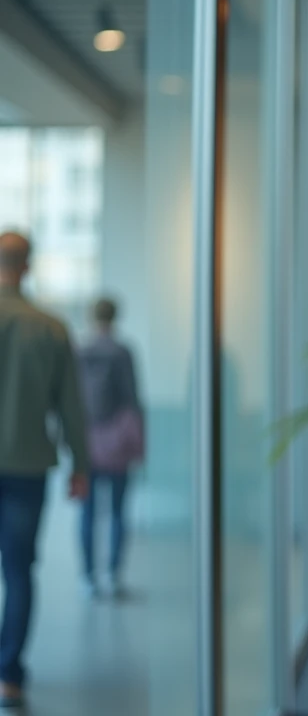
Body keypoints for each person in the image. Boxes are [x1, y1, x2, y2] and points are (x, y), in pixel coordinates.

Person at [0, 231, 89, 710]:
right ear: (28, 267)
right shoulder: (51, 327)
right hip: (28, 467)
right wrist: (82, 464)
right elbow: (71, 405)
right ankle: (9, 675)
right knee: (18, 570)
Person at [77, 297, 144, 599]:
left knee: (87, 513)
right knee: (117, 512)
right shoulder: (123, 352)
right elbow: (132, 399)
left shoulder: (80, 351)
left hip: (87, 443)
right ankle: (113, 575)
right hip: (117, 444)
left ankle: (88, 578)